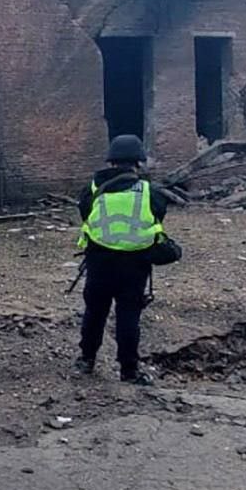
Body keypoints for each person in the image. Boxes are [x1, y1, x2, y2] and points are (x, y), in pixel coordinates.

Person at [73, 134, 169, 385]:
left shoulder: (93, 188)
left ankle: (86, 360)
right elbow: (158, 215)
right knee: (128, 317)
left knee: (95, 313)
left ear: (111, 161)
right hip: (135, 264)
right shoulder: (149, 191)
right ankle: (129, 371)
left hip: (99, 261)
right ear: (138, 162)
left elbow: (85, 214)